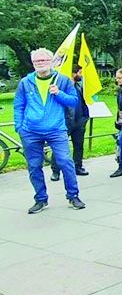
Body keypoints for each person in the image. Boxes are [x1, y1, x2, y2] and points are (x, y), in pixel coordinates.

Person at [13, 48, 86, 213]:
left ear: (51, 61)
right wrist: (20, 127)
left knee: (65, 162)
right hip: (30, 131)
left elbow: (74, 102)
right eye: (37, 61)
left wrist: (59, 93)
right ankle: (40, 199)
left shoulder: (63, 80)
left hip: (56, 129)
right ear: (33, 63)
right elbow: (19, 105)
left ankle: (73, 196)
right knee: (33, 166)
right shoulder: (25, 82)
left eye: (44, 60)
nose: (41, 64)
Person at [50, 65, 90, 180]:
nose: (81, 75)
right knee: (59, 146)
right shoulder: (62, 87)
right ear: (73, 73)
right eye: (80, 73)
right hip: (66, 121)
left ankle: (78, 166)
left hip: (80, 120)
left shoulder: (79, 86)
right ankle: (56, 171)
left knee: (79, 145)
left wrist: (85, 117)